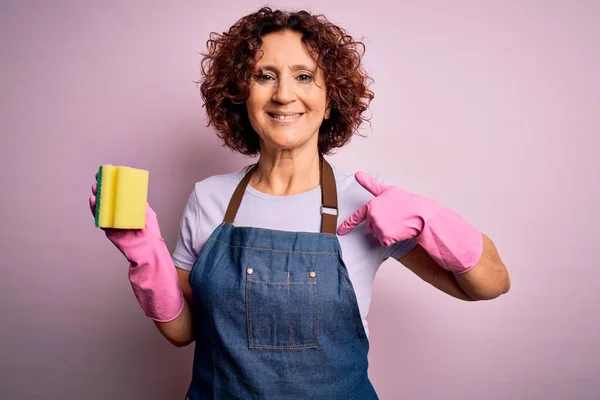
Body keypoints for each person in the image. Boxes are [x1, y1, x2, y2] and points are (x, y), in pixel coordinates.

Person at [89, 7, 510, 399]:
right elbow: (184, 330)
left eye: (304, 76)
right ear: (241, 95)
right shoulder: (209, 198)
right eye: (264, 76)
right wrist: (144, 254)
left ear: (331, 101)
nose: (284, 95)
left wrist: (429, 219)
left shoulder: (366, 203)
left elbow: (489, 286)